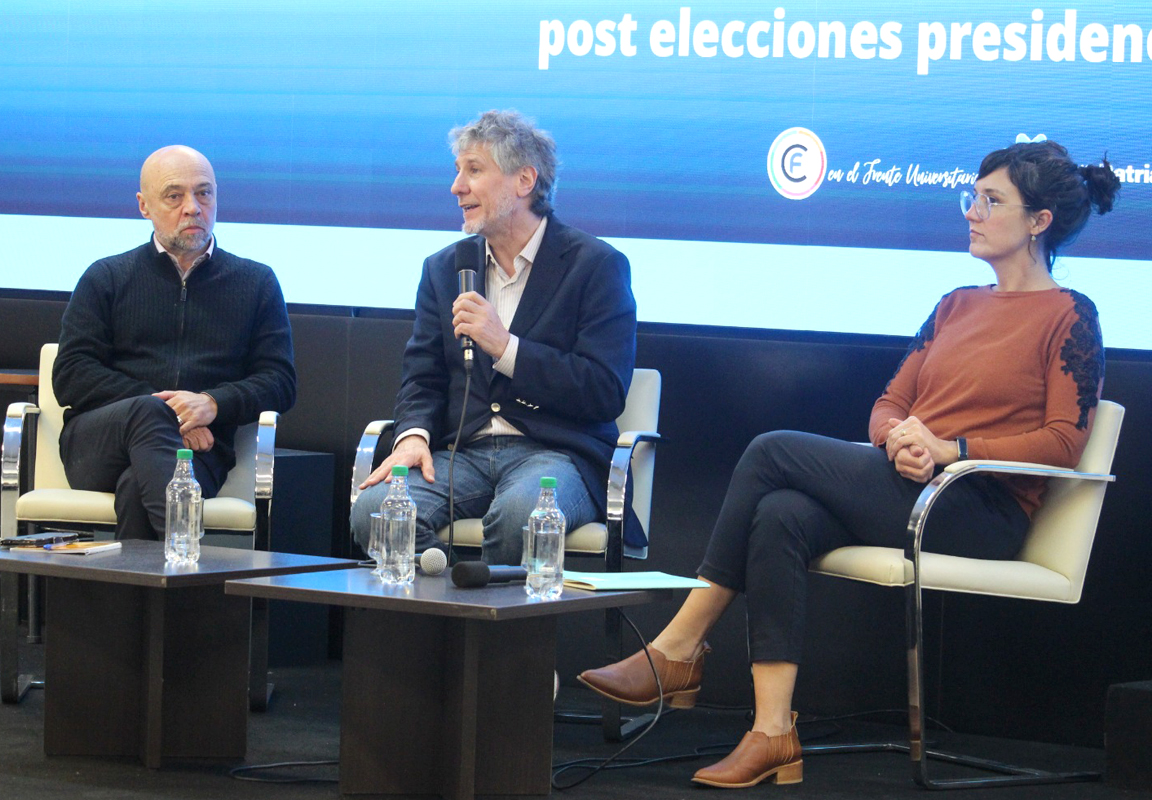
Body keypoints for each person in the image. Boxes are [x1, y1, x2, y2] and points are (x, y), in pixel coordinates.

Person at [578, 140, 1119, 789]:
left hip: (981, 508)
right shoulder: (956, 304)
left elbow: (1063, 440)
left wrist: (955, 451)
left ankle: (678, 647)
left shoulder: (1070, 315)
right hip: (910, 485)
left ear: (1039, 221)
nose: (972, 211)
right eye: (971, 196)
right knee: (781, 515)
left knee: (773, 449)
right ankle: (773, 732)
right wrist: (899, 440)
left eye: (991, 200)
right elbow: (891, 402)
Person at [350, 110, 637, 565]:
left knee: (523, 514)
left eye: (474, 170)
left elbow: (603, 391)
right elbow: (422, 377)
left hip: (554, 455)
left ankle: (491, 632)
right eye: (458, 170)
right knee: (377, 512)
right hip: (462, 452)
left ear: (524, 180)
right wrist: (414, 435)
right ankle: (451, 615)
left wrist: (506, 348)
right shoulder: (444, 268)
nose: (456, 186)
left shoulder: (594, 266)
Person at [53, 145, 296, 540]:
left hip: (198, 450)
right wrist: (170, 412)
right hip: (98, 443)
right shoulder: (107, 277)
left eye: (204, 193)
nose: (193, 207)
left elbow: (280, 382)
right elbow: (72, 374)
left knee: (137, 490)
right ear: (144, 206)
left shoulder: (255, 283)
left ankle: (142, 598)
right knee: (149, 413)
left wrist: (213, 403)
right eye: (174, 195)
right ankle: (189, 556)